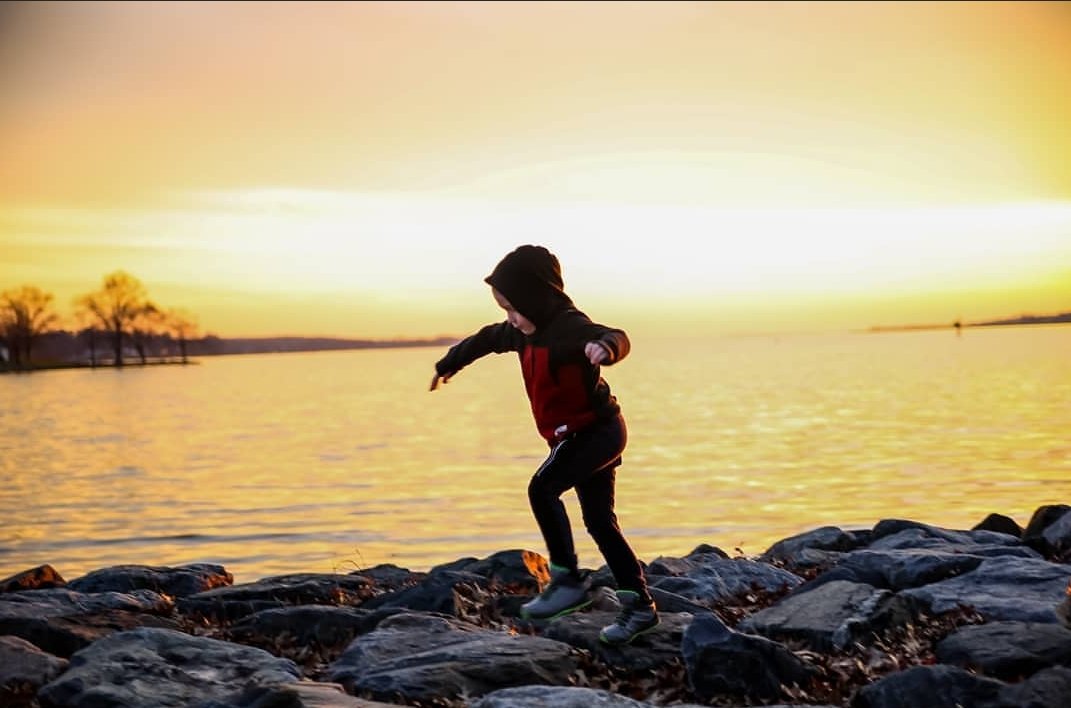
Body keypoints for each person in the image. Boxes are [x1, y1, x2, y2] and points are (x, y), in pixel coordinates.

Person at [429, 244, 660, 645]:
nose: (510, 319)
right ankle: (640, 607)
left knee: (543, 488)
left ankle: (566, 578)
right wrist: (449, 363)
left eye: (514, 308)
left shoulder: (569, 327)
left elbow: (616, 336)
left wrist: (605, 349)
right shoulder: (520, 334)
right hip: (578, 435)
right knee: (600, 522)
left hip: (599, 431)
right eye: (505, 310)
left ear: (536, 298)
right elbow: (484, 340)